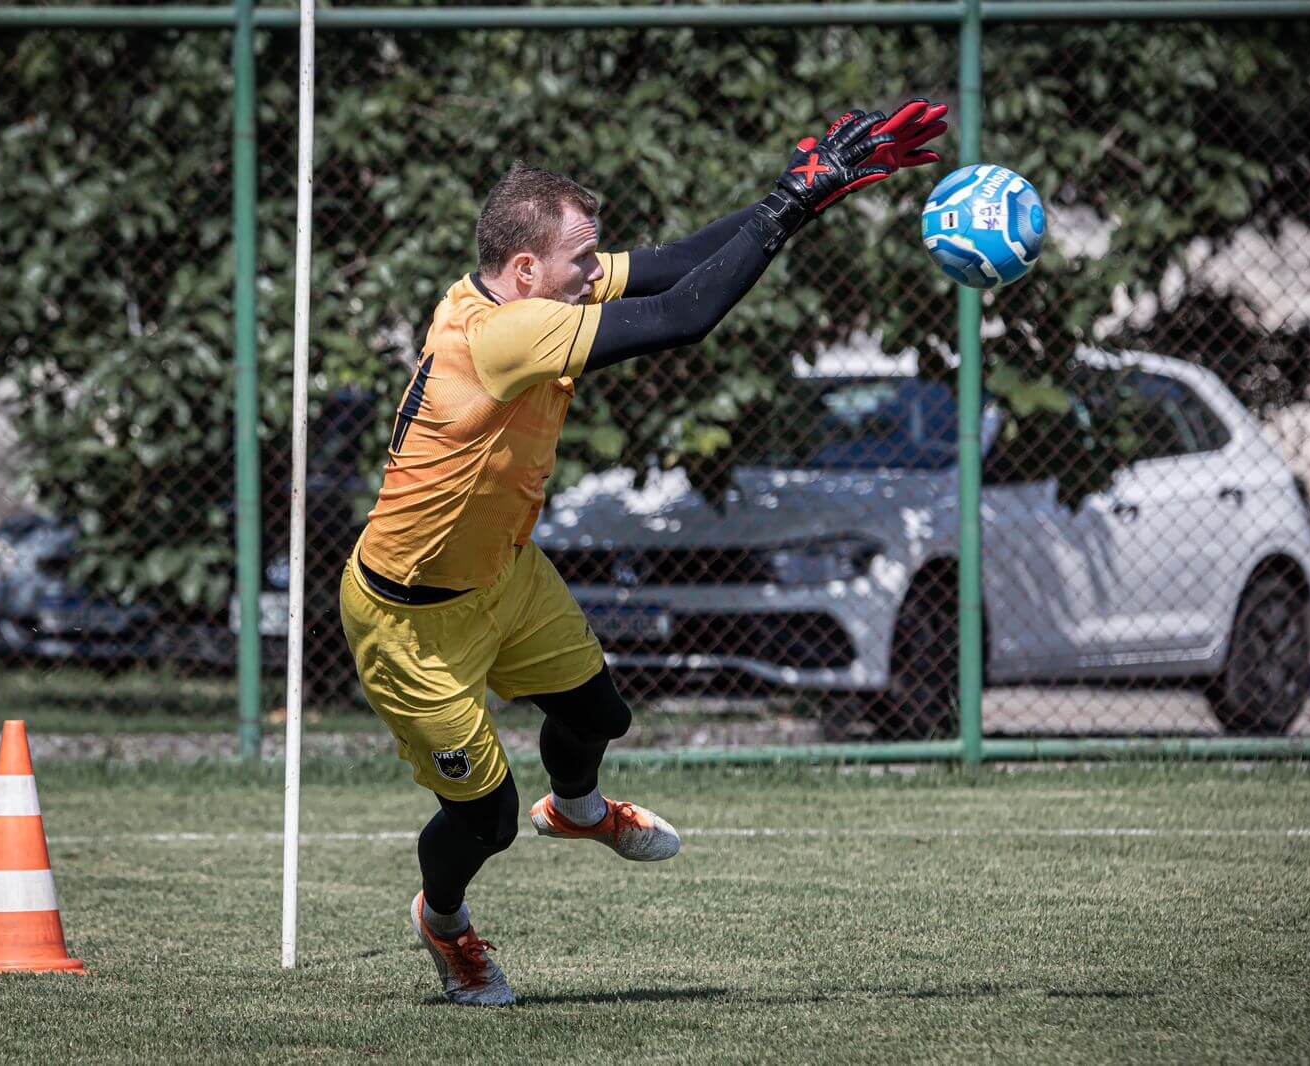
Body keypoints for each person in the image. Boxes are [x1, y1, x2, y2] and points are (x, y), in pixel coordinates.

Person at [338, 101, 949, 1006]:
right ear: (524, 269)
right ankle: (445, 922)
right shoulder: (503, 333)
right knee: (486, 816)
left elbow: (672, 264)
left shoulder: (528, 291)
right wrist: (789, 202)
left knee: (597, 718)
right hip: (409, 620)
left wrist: (808, 198)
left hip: (504, 572)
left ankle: (578, 809)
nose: (597, 273)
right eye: (584, 260)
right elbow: (684, 314)